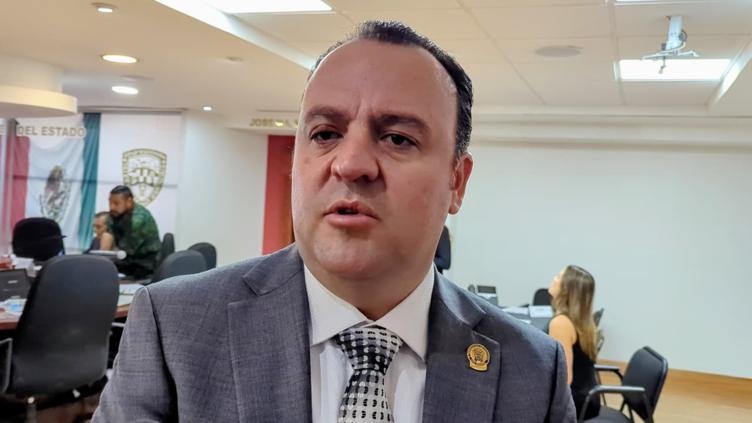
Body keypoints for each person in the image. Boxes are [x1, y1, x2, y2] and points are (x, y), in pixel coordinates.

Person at [94, 21, 575, 422]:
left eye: (398, 138)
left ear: (457, 182)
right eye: (325, 134)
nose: (350, 164)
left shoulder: (533, 371)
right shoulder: (174, 328)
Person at [548, 265, 601, 420]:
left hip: (576, 402)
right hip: (589, 396)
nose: (554, 278)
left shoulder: (561, 323)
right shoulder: (582, 321)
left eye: (558, 277)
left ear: (567, 289)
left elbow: (565, 378)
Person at [108, 185, 161, 279]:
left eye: (116, 203)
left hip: (146, 263)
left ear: (129, 201)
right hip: (130, 259)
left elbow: (128, 251)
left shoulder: (138, 219)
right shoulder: (117, 214)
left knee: (109, 269)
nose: (112, 207)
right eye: (110, 203)